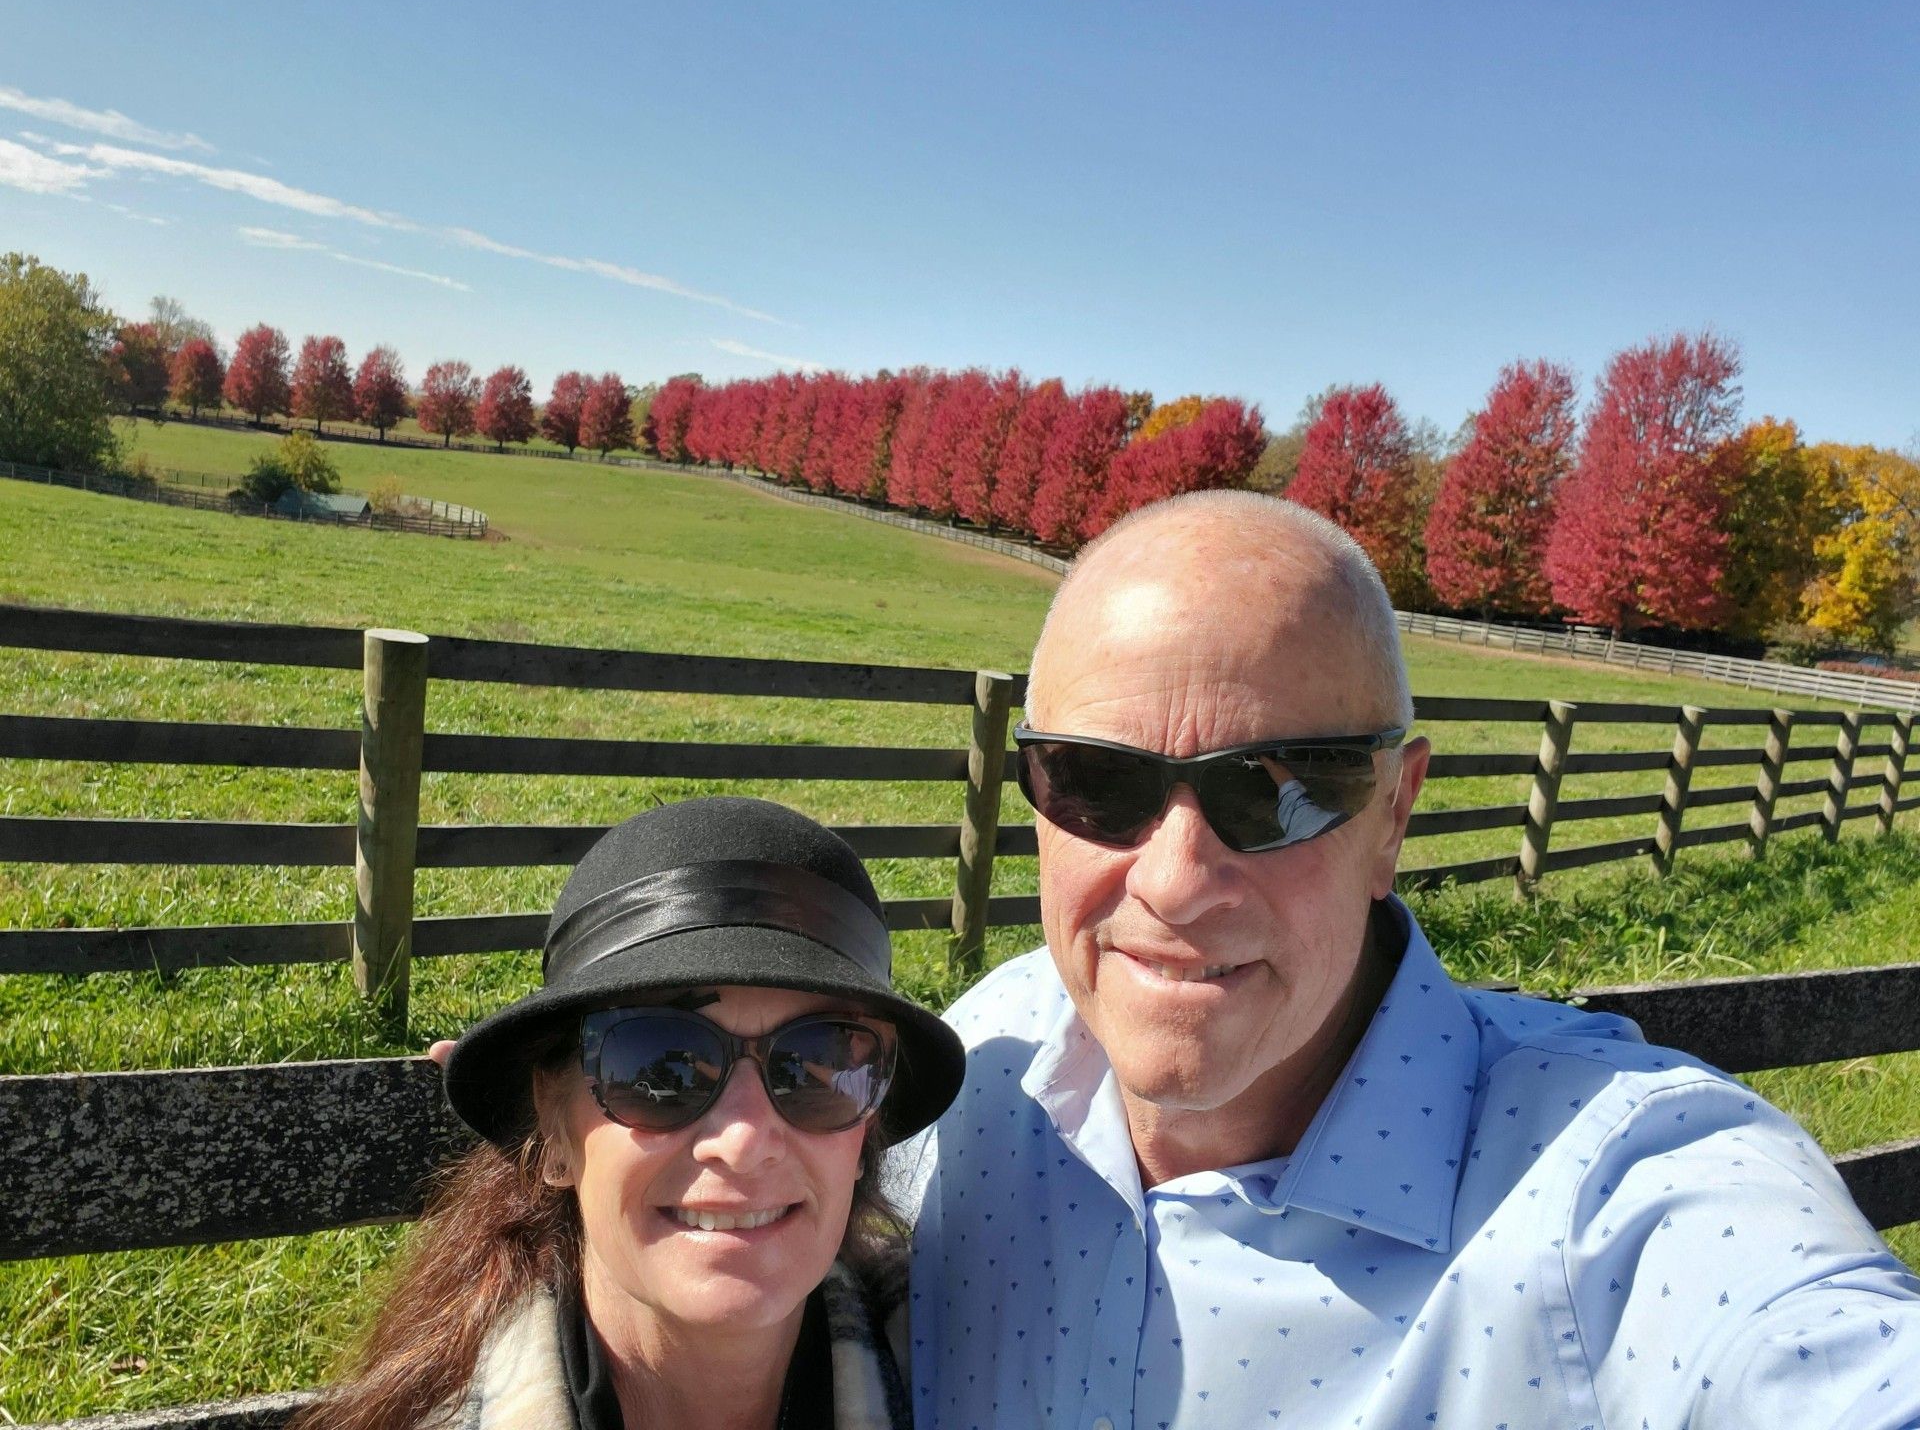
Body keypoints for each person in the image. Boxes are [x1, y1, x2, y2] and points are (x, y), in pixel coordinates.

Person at [901, 491, 1920, 1428]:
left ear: (1394, 812)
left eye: (1278, 789)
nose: (1174, 880)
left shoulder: (1610, 1197)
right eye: (1094, 779)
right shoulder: (966, 1075)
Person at [295, 796, 965, 1430]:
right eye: (657, 1069)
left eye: (817, 1065)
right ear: (553, 1131)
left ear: (865, 1129)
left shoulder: (976, 1380)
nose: (745, 1139)